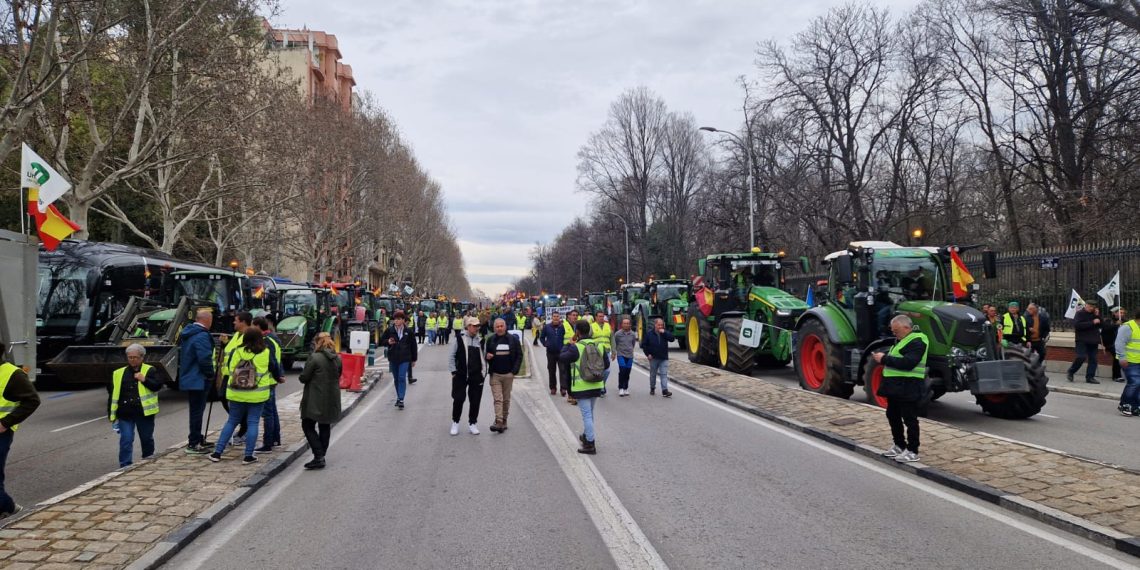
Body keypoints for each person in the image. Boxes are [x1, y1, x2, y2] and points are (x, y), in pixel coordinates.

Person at [210, 327, 279, 464]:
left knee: (231, 421)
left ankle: (217, 452)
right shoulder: (265, 352)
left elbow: (229, 369)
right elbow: (274, 368)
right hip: (257, 394)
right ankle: (248, 456)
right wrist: (278, 378)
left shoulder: (236, 351)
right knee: (253, 422)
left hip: (236, 392)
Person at [873, 315, 928, 463]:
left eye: (896, 330)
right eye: (893, 330)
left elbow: (909, 363)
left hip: (909, 385)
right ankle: (899, 445)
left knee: (910, 418)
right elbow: (898, 359)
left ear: (906, 327)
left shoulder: (918, 340)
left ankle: (913, 450)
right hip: (896, 386)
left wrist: (884, 359)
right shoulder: (902, 340)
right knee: (892, 415)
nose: (894, 333)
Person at [0, 344, 40, 518]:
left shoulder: (12, 374)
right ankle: (6, 507)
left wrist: (5, 423)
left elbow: (32, 401)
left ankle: (9, 508)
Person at [108, 344, 164, 468]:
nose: (132, 360)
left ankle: (148, 461)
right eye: (130, 357)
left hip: (144, 413)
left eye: (135, 357)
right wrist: (112, 414)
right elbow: (112, 394)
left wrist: (144, 380)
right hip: (125, 413)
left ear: (142, 357)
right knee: (126, 440)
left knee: (146, 438)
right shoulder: (118, 373)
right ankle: (125, 465)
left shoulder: (150, 370)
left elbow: (157, 386)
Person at [561, 321, 606, 454]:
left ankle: (590, 444)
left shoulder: (576, 347)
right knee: (590, 413)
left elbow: (562, 358)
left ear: (577, 332)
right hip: (596, 384)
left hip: (582, 387)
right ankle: (586, 436)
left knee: (586, 415)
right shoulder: (599, 345)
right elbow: (607, 364)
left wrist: (568, 344)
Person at [299, 332, 342, 469]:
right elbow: (339, 374)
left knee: (307, 425)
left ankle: (319, 456)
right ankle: (321, 454)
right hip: (332, 396)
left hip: (315, 397)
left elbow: (304, 377)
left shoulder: (315, 357)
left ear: (317, 342)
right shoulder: (337, 358)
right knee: (324, 425)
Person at [179, 309, 216, 454]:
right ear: (207, 320)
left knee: (196, 411)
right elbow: (204, 358)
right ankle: (194, 443)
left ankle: (197, 438)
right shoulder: (201, 335)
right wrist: (210, 374)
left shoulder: (190, 333)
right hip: (199, 379)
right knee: (197, 412)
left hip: (191, 377)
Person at [252, 317, 284, 453]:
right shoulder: (272, 339)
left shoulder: (266, 341)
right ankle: (275, 438)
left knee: (267, 414)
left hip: (268, 381)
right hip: (271, 380)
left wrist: (277, 376)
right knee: (272, 412)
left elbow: (272, 363)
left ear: (258, 327)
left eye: (253, 326)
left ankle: (268, 443)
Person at [449, 317, 486, 435]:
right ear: (468, 326)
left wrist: (483, 373)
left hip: (476, 375)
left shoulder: (481, 340)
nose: (477, 328)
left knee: (475, 400)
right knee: (458, 399)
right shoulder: (459, 338)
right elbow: (451, 356)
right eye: (474, 326)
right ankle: (455, 422)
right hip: (461, 375)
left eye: (478, 326)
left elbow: (484, 357)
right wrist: (453, 372)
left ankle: (473, 423)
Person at [486, 318, 523, 433]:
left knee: (506, 400)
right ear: (494, 328)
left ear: (505, 327)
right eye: (497, 326)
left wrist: (514, 371)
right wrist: (487, 357)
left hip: (508, 374)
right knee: (498, 399)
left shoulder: (513, 340)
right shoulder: (491, 340)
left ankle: (504, 420)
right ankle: (498, 421)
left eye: (501, 326)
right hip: (495, 375)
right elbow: (486, 354)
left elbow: (519, 355)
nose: (499, 328)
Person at [380, 310, 418, 409]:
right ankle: (398, 396)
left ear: (403, 320)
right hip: (393, 358)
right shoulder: (389, 330)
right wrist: (388, 341)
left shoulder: (408, 332)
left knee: (401, 377)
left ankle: (401, 399)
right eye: (395, 319)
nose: (396, 321)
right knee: (396, 379)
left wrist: (414, 359)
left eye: (398, 319)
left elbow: (413, 345)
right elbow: (381, 341)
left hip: (405, 358)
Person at [1067, 300, 1102, 384]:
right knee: (1081, 357)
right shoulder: (1080, 314)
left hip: (1093, 340)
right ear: (1086, 305)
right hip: (1082, 340)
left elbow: (1101, 325)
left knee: (1093, 359)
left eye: (1093, 307)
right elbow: (1077, 325)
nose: (1091, 308)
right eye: (1090, 306)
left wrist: (1098, 316)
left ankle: (1090, 377)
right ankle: (1071, 371)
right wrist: (1092, 322)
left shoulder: (1095, 314)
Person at [1115, 309, 1140, 416]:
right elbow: (1119, 343)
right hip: (1129, 361)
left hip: (1138, 360)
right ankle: (1124, 404)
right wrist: (1122, 357)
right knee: (1135, 382)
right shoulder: (1128, 327)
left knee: (1138, 384)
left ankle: (1135, 406)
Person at [642, 318, 674, 397]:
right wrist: (648, 354)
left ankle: (664, 390)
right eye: (658, 325)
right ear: (655, 325)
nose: (660, 326)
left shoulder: (664, 333)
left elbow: (672, 339)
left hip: (663, 357)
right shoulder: (649, 334)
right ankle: (652, 388)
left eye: (661, 325)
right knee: (653, 374)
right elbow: (644, 345)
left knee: (664, 374)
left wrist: (665, 332)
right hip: (653, 358)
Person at [540, 312, 568, 396]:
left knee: (563, 370)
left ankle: (563, 388)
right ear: (552, 317)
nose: (556, 318)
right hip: (550, 353)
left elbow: (566, 337)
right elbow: (542, 337)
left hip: (561, 353)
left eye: (557, 316)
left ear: (559, 317)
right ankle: (553, 388)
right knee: (551, 370)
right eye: (554, 316)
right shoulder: (547, 327)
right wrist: (545, 344)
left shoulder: (562, 327)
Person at [612, 316, 637, 397]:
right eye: (624, 323)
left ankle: (626, 388)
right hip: (621, 355)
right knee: (622, 370)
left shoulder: (632, 334)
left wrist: (630, 350)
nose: (626, 325)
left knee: (627, 372)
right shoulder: (618, 334)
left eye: (627, 323)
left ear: (630, 325)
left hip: (629, 355)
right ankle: (621, 388)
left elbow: (633, 344)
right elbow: (615, 343)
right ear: (622, 325)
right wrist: (615, 352)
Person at [591, 311, 613, 395]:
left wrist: (614, 351)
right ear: (596, 317)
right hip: (596, 352)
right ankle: (599, 387)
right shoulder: (591, 326)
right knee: (598, 370)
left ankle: (602, 384)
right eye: (599, 316)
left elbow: (612, 338)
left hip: (606, 351)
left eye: (602, 316)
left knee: (607, 370)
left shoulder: (608, 325)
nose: (601, 318)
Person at [563, 310, 581, 405]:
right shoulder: (564, 325)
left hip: (578, 351)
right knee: (569, 374)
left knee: (577, 374)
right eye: (573, 315)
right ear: (569, 316)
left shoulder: (579, 326)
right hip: (567, 351)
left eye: (576, 315)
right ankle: (570, 394)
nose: (575, 317)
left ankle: (576, 394)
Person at [1103, 306, 1124, 383]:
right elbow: (1106, 330)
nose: (1122, 314)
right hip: (1111, 344)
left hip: (1121, 343)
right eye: (1120, 312)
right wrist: (1116, 325)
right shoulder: (1108, 321)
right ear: (1114, 313)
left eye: (1123, 313)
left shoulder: (1124, 321)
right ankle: (1116, 376)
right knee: (1117, 356)